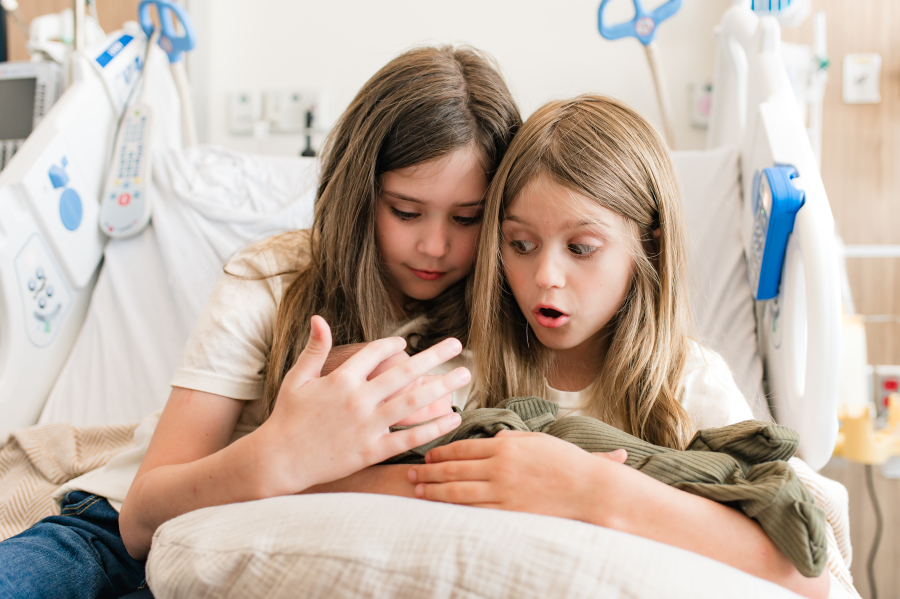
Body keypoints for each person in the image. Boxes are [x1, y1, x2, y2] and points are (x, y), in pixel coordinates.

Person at [0, 45, 521, 599]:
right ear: (358, 194)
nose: (435, 246)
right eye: (406, 211)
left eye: (467, 218)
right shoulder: (273, 277)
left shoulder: (504, 326)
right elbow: (142, 515)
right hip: (114, 533)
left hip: (258, 555)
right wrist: (282, 455)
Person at [404, 95, 830, 599]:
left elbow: (805, 575)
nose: (545, 275)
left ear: (647, 245)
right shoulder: (459, 375)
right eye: (520, 245)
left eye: (581, 248)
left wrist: (589, 490)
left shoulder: (689, 385)